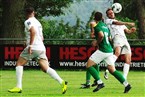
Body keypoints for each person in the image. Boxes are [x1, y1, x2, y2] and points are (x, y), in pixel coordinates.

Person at [8, 7, 67, 94]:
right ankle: (62, 82)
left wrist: (30, 45)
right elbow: (41, 37)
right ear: (33, 13)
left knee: (19, 64)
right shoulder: (38, 23)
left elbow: (33, 32)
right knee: (45, 68)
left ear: (26, 13)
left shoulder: (28, 21)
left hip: (34, 47)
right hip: (41, 47)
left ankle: (18, 87)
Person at [86, 11, 131, 93]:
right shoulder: (105, 26)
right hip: (109, 50)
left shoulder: (98, 26)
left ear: (95, 18)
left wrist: (97, 42)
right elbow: (109, 38)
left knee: (88, 65)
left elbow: (101, 35)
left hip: (103, 50)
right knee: (112, 70)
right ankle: (126, 84)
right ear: (102, 18)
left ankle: (100, 82)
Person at [104, 8, 136, 80]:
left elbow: (127, 31)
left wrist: (132, 31)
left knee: (128, 60)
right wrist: (128, 23)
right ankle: (107, 70)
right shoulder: (108, 21)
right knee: (117, 53)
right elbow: (116, 23)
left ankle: (124, 78)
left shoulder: (120, 23)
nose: (111, 14)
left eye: (112, 12)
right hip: (117, 37)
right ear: (107, 15)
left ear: (114, 13)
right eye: (109, 13)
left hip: (124, 39)